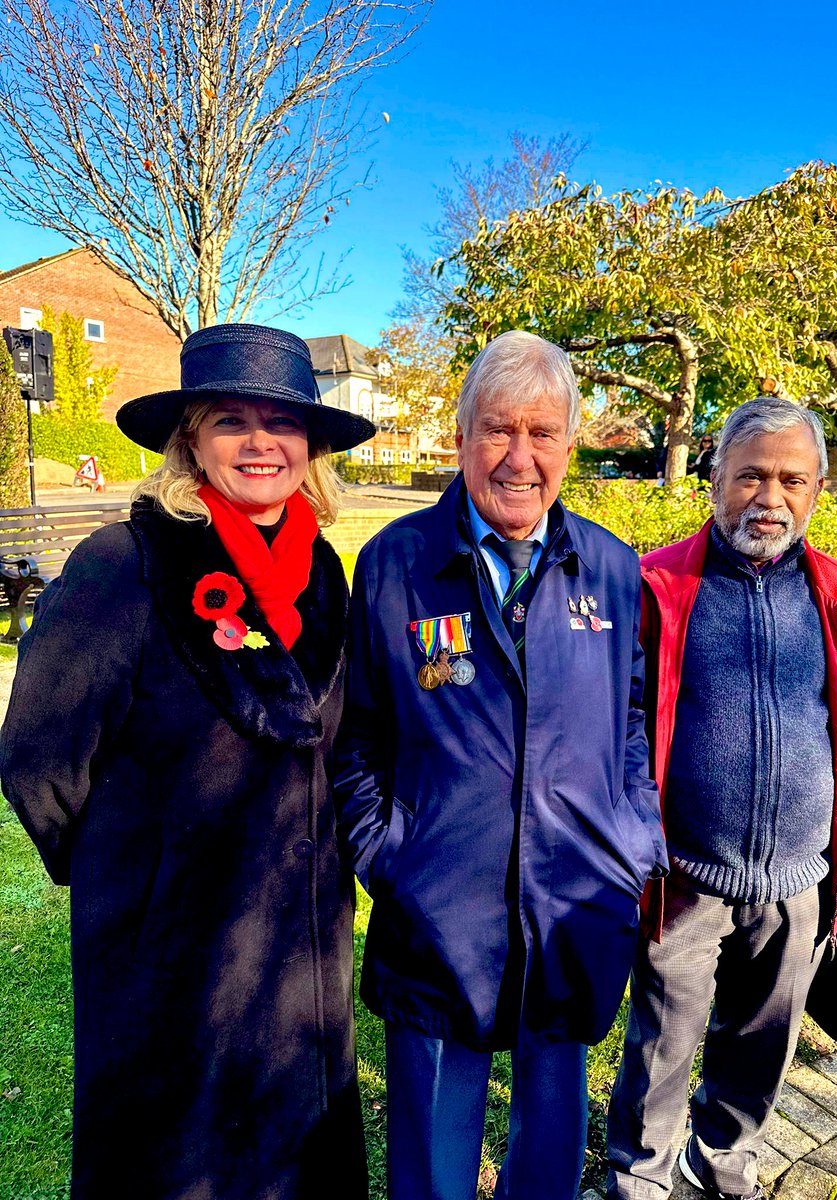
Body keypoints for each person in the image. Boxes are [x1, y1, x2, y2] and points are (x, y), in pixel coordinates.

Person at [0, 324, 376, 1200]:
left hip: (299, 951)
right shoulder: (122, 566)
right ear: (191, 441)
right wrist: (140, 871)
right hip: (171, 962)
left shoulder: (324, 572)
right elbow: (36, 758)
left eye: (282, 423)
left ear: (310, 447)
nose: (260, 443)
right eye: (231, 421)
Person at [335, 329, 667, 1200]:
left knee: (548, 1152)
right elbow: (358, 733)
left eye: (543, 432)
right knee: (433, 1162)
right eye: (498, 430)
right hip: (438, 911)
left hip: (573, 905)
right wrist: (388, 855)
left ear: (570, 446)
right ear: (460, 437)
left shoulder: (612, 569)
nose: (520, 458)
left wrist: (632, 843)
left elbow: (631, 719)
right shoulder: (395, 564)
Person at [606, 396, 837, 1200]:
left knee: (764, 1040)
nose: (770, 498)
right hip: (682, 876)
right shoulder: (658, 585)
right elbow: (619, 724)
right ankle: (640, 1173)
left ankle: (724, 1162)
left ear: (817, 491)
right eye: (750, 476)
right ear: (716, 479)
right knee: (662, 1042)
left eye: (792, 480)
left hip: (801, 880)